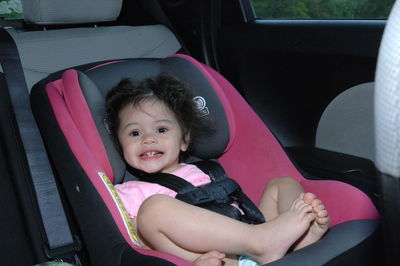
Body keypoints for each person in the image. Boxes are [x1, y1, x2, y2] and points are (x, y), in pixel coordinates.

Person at [105, 74, 330, 266]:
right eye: (135, 133)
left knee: (282, 183)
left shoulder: (204, 171)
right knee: (153, 211)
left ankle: (299, 237)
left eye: (162, 129)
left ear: (184, 140)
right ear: (120, 144)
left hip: (253, 231)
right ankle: (262, 243)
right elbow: (138, 241)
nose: (148, 139)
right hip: (219, 258)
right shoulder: (130, 191)